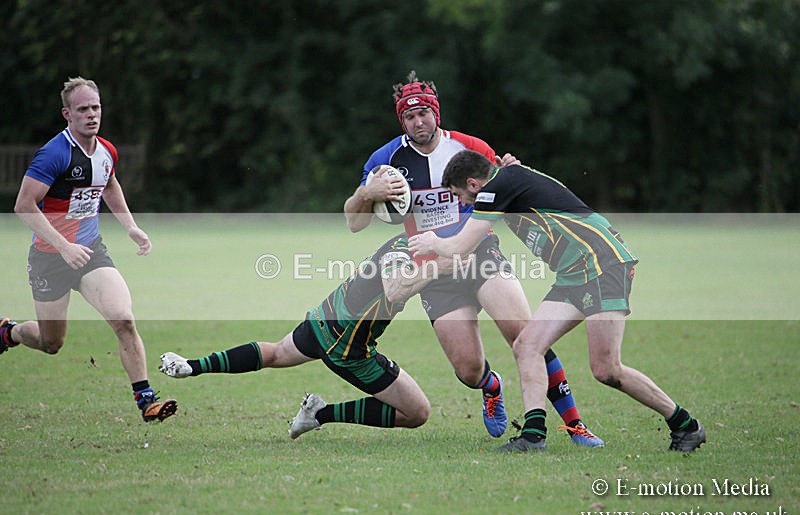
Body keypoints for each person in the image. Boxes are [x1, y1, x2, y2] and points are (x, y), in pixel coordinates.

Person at [343, 71, 602, 446]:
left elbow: (509, 186)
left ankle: (575, 424)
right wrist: (368, 192)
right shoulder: (386, 159)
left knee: (526, 336)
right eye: (409, 117)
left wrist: (512, 169)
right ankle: (490, 385)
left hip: (480, 254)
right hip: (431, 269)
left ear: (436, 113)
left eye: (424, 114)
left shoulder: (469, 148)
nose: (418, 122)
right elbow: (353, 221)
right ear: (402, 120)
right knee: (467, 370)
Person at [409, 150, 707, 453]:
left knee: (607, 369)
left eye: (459, 194)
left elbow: (460, 247)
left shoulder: (495, 187)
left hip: (601, 265)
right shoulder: (506, 181)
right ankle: (533, 435)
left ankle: (686, 426)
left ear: (474, 184)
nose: (461, 203)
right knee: (527, 345)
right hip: (574, 273)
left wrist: (433, 241)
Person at [0, 77, 177, 423]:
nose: (91, 115)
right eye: (83, 109)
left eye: (95, 107)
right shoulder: (54, 154)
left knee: (123, 319)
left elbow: (108, 184)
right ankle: (9, 331)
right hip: (50, 259)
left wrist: (131, 227)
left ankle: (146, 401)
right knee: (52, 343)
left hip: (92, 252)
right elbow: (23, 205)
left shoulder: (107, 150)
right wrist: (63, 246)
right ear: (67, 114)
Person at [159, 234, 450, 439]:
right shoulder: (404, 249)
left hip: (323, 319)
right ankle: (321, 414)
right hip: (346, 347)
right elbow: (395, 290)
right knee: (417, 412)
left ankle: (191, 365)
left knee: (275, 353)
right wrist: (439, 267)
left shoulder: (408, 241)